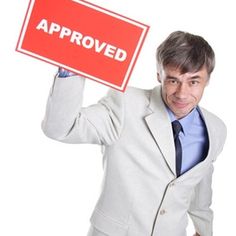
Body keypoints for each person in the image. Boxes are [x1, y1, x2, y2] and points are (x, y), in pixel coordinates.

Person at [42, 31, 227, 236]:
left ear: (208, 79)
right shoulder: (126, 104)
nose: (182, 94)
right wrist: (71, 70)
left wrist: (203, 230)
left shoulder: (216, 129)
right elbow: (61, 128)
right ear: (159, 75)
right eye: (173, 81)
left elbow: (200, 190)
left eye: (193, 82)